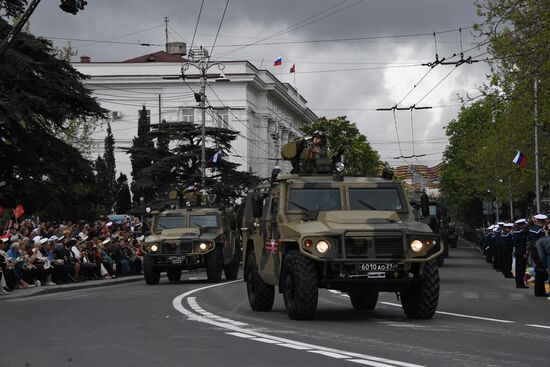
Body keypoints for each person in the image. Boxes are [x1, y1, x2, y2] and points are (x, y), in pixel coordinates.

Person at [527, 214, 547, 297]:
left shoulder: (532, 229)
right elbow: (541, 242)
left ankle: (538, 291)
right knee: (541, 272)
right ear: (541, 221)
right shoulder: (540, 231)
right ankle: (540, 292)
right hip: (539, 252)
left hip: (534, 251)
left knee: (539, 271)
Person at [512, 219, 529, 288]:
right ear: (521, 224)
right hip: (521, 252)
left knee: (518, 268)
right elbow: (522, 244)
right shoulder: (521, 232)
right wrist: (524, 253)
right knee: (521, 268)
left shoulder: (515, 231)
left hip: (517, 251)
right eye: (524, 224)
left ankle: (518, 283)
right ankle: (520, 284)